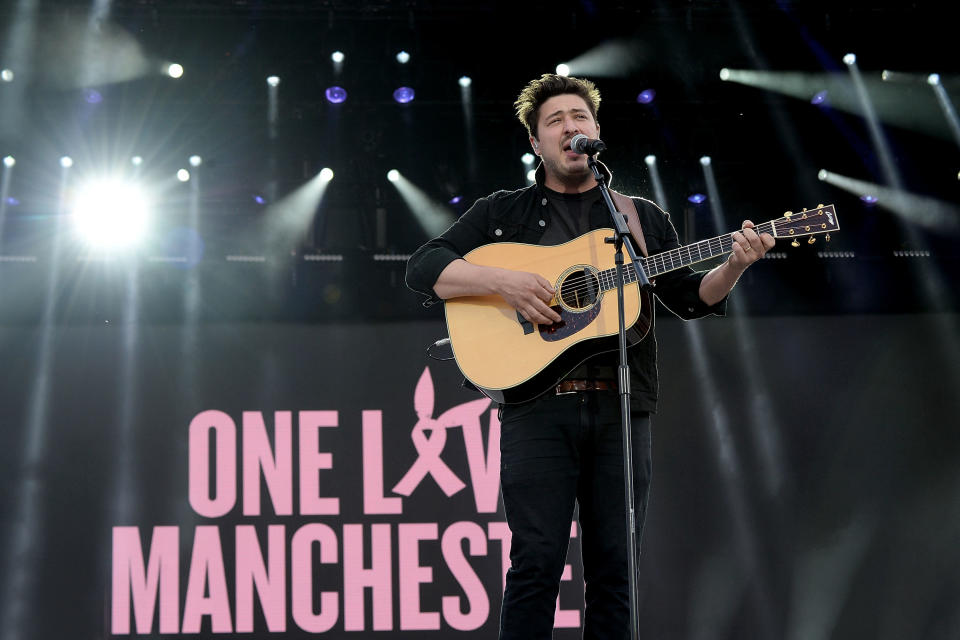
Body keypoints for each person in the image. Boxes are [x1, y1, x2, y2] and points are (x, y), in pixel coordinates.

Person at [405, 73, 774, 640]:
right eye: (554, 121)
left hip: (622, 407)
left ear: (596, 131)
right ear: (536, 143)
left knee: (616, 571)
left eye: (579, 117)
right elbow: (424, 267)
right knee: (536, 564)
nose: (569, 127)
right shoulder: (504, 213)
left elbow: (688, 299)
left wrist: (737, 264)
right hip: (536, 410)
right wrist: (502, 281)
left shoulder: (637, 218)